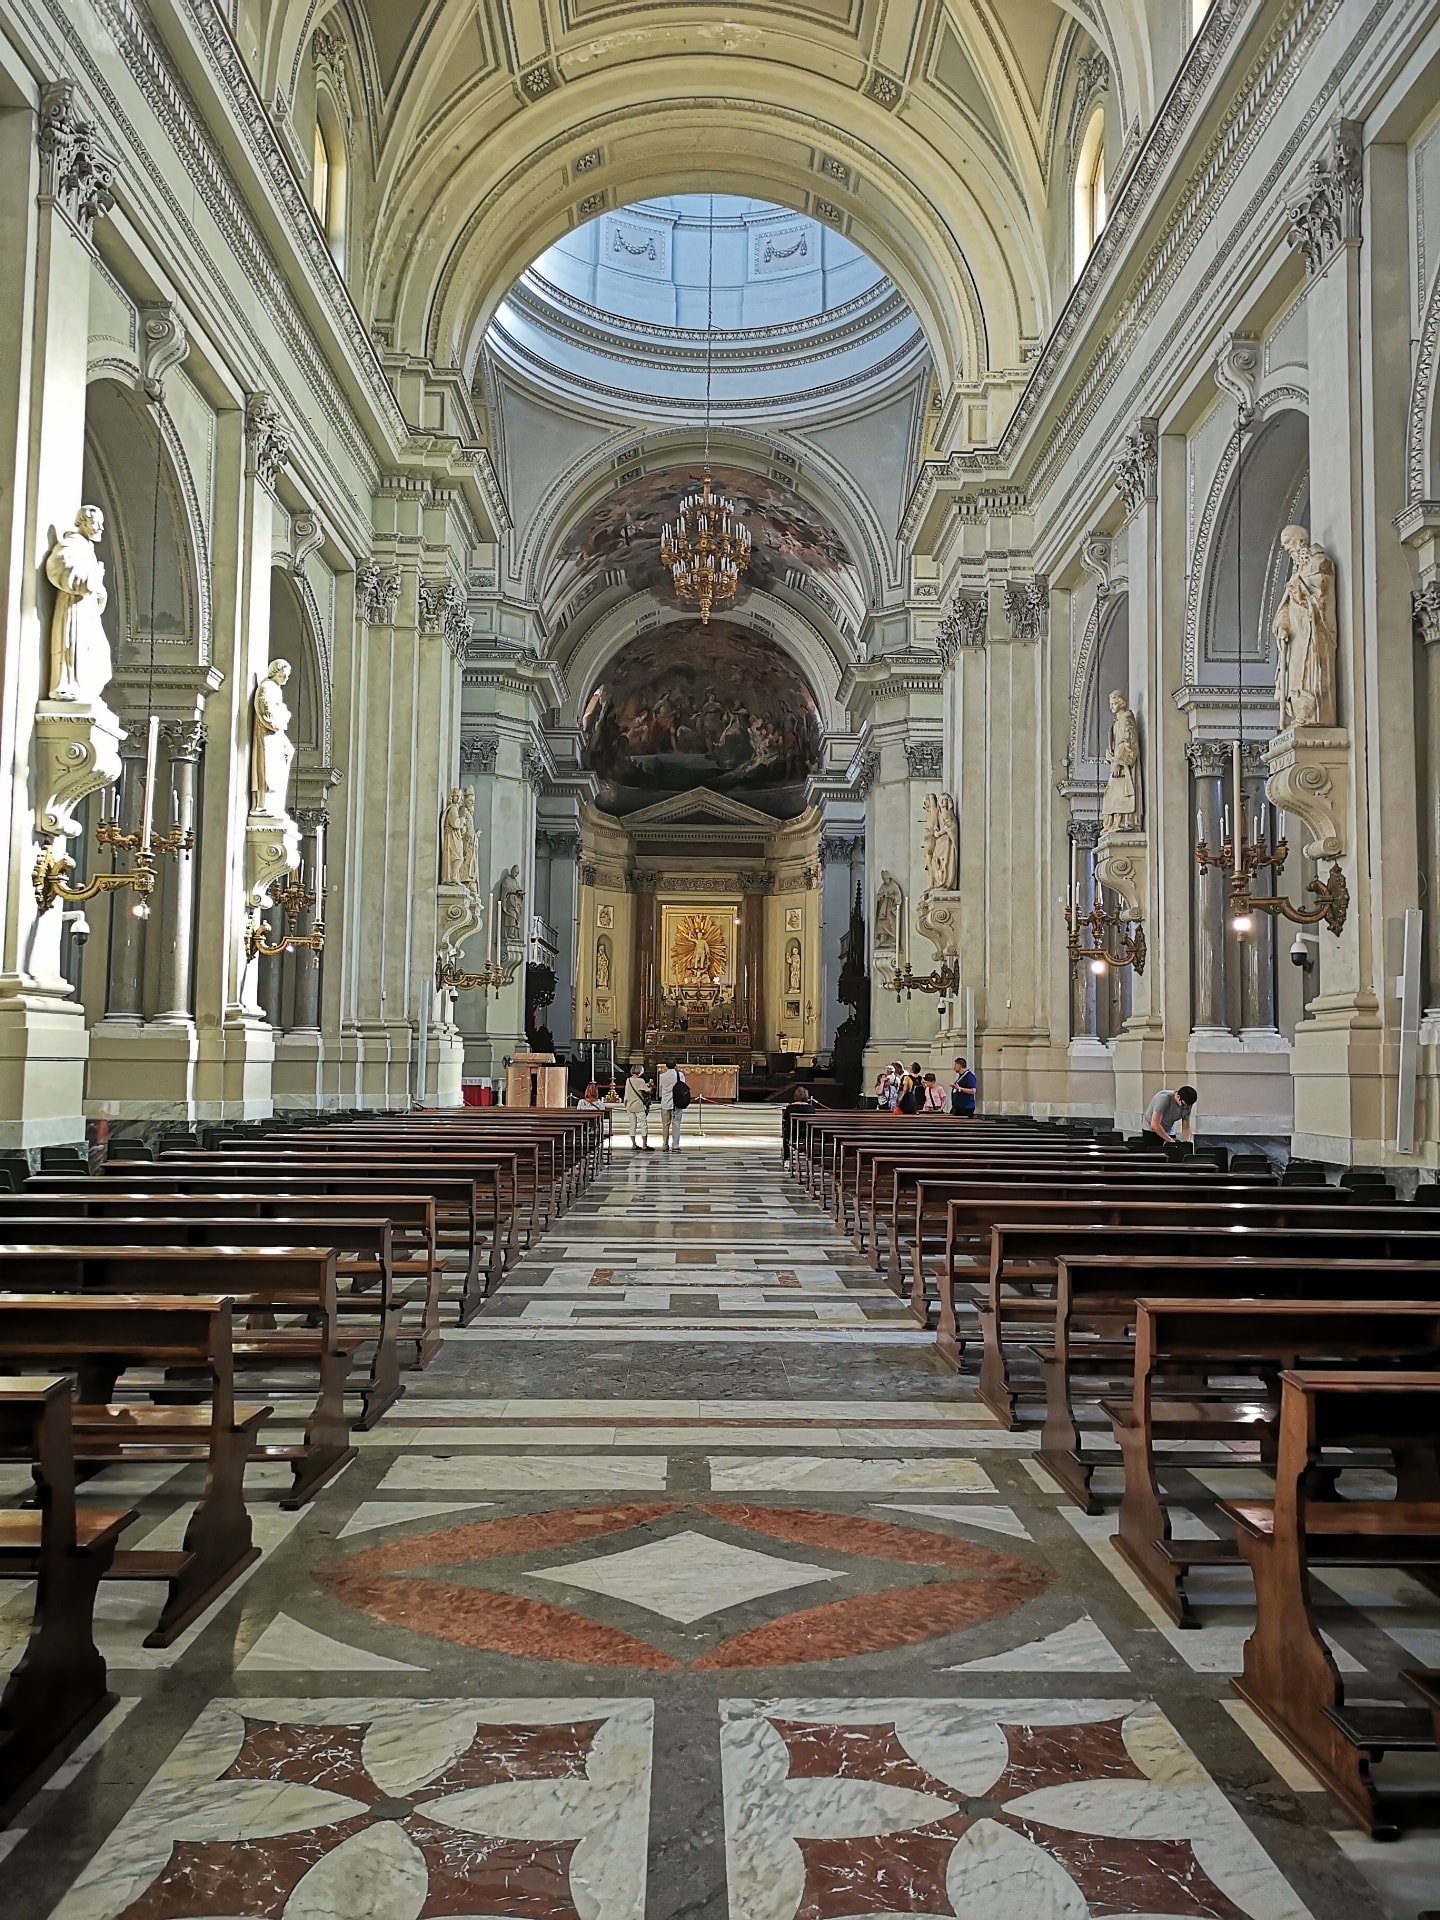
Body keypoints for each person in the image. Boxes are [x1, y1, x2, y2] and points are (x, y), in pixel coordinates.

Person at [657, 1059, 688, 1152]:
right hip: (676, 1102)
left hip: (665, 1102)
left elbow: (661, 1088)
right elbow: (683, 1086)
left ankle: (665, 1144)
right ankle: (675, 1145)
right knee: (676, 1124)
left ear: (666, 1066)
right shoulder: (679, 1075)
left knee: (665, 1125)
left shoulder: (662, 1076)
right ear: (675, 1065)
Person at [623, 1065, 654, 1150]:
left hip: (629, 1105)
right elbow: (648, 1090)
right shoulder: (640, 1080)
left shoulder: (628, 1080)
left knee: (632, 1125)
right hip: (638, 1105)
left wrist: (625, 1105)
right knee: (643, 1124)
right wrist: (651, 1085)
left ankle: (633, 1144)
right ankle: (644, 1145)